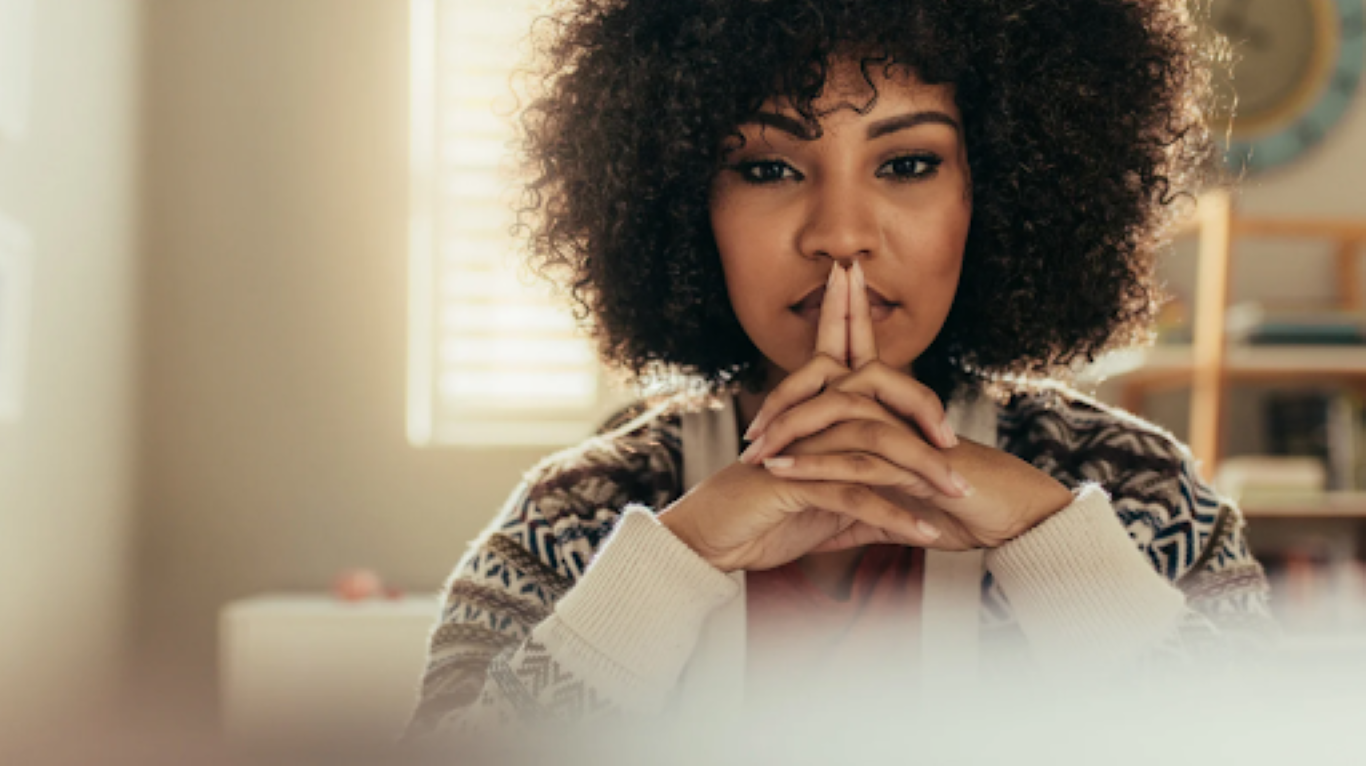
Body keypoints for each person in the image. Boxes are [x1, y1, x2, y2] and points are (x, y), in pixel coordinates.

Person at [403, 0, 1273, 740]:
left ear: (996, 192)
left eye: (907, 164)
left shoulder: (1139, 495)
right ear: (682, 201)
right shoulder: (581, 513)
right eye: (768, 168)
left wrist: (1048, 539)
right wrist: (683, 556)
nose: (842, 232)